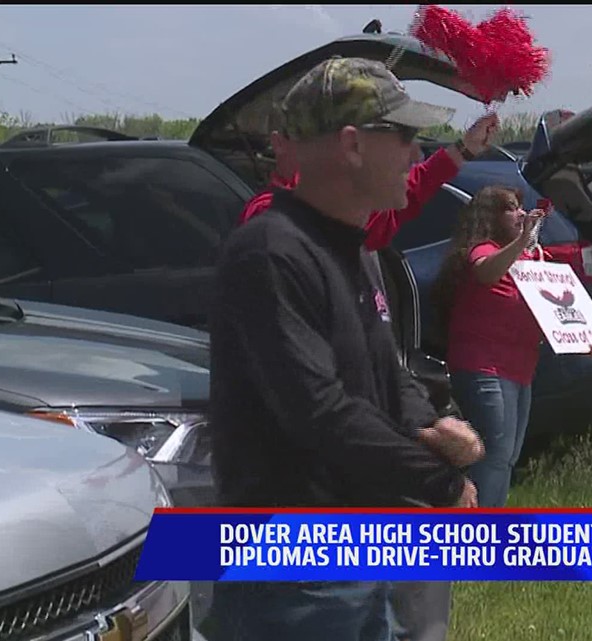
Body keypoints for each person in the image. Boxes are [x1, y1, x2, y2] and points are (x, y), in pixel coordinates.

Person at [206, 57, 483, 641]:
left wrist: (434, 422)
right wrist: (440, 483)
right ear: (353, 145)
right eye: (405, 135)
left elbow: (384, 372)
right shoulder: (272, 250)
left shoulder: (350, 248)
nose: (415, 154)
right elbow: (318, 409)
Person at [429, 186, 555, 508]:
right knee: (492, 454)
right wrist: (521, 241)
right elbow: (486, 271)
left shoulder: (525, 259)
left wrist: (583, 337)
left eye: (521, 207)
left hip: (520, 368)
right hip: (484, 367)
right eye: (512, 208)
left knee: (508, 456)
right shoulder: (482, 249)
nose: (521, 214)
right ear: (491, 216)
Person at [240, 106, 499, 253]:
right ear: (279, 143)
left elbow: (406, 192)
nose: (415, 153)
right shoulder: (269, 218)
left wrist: (465, 149)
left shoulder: (348, 209)